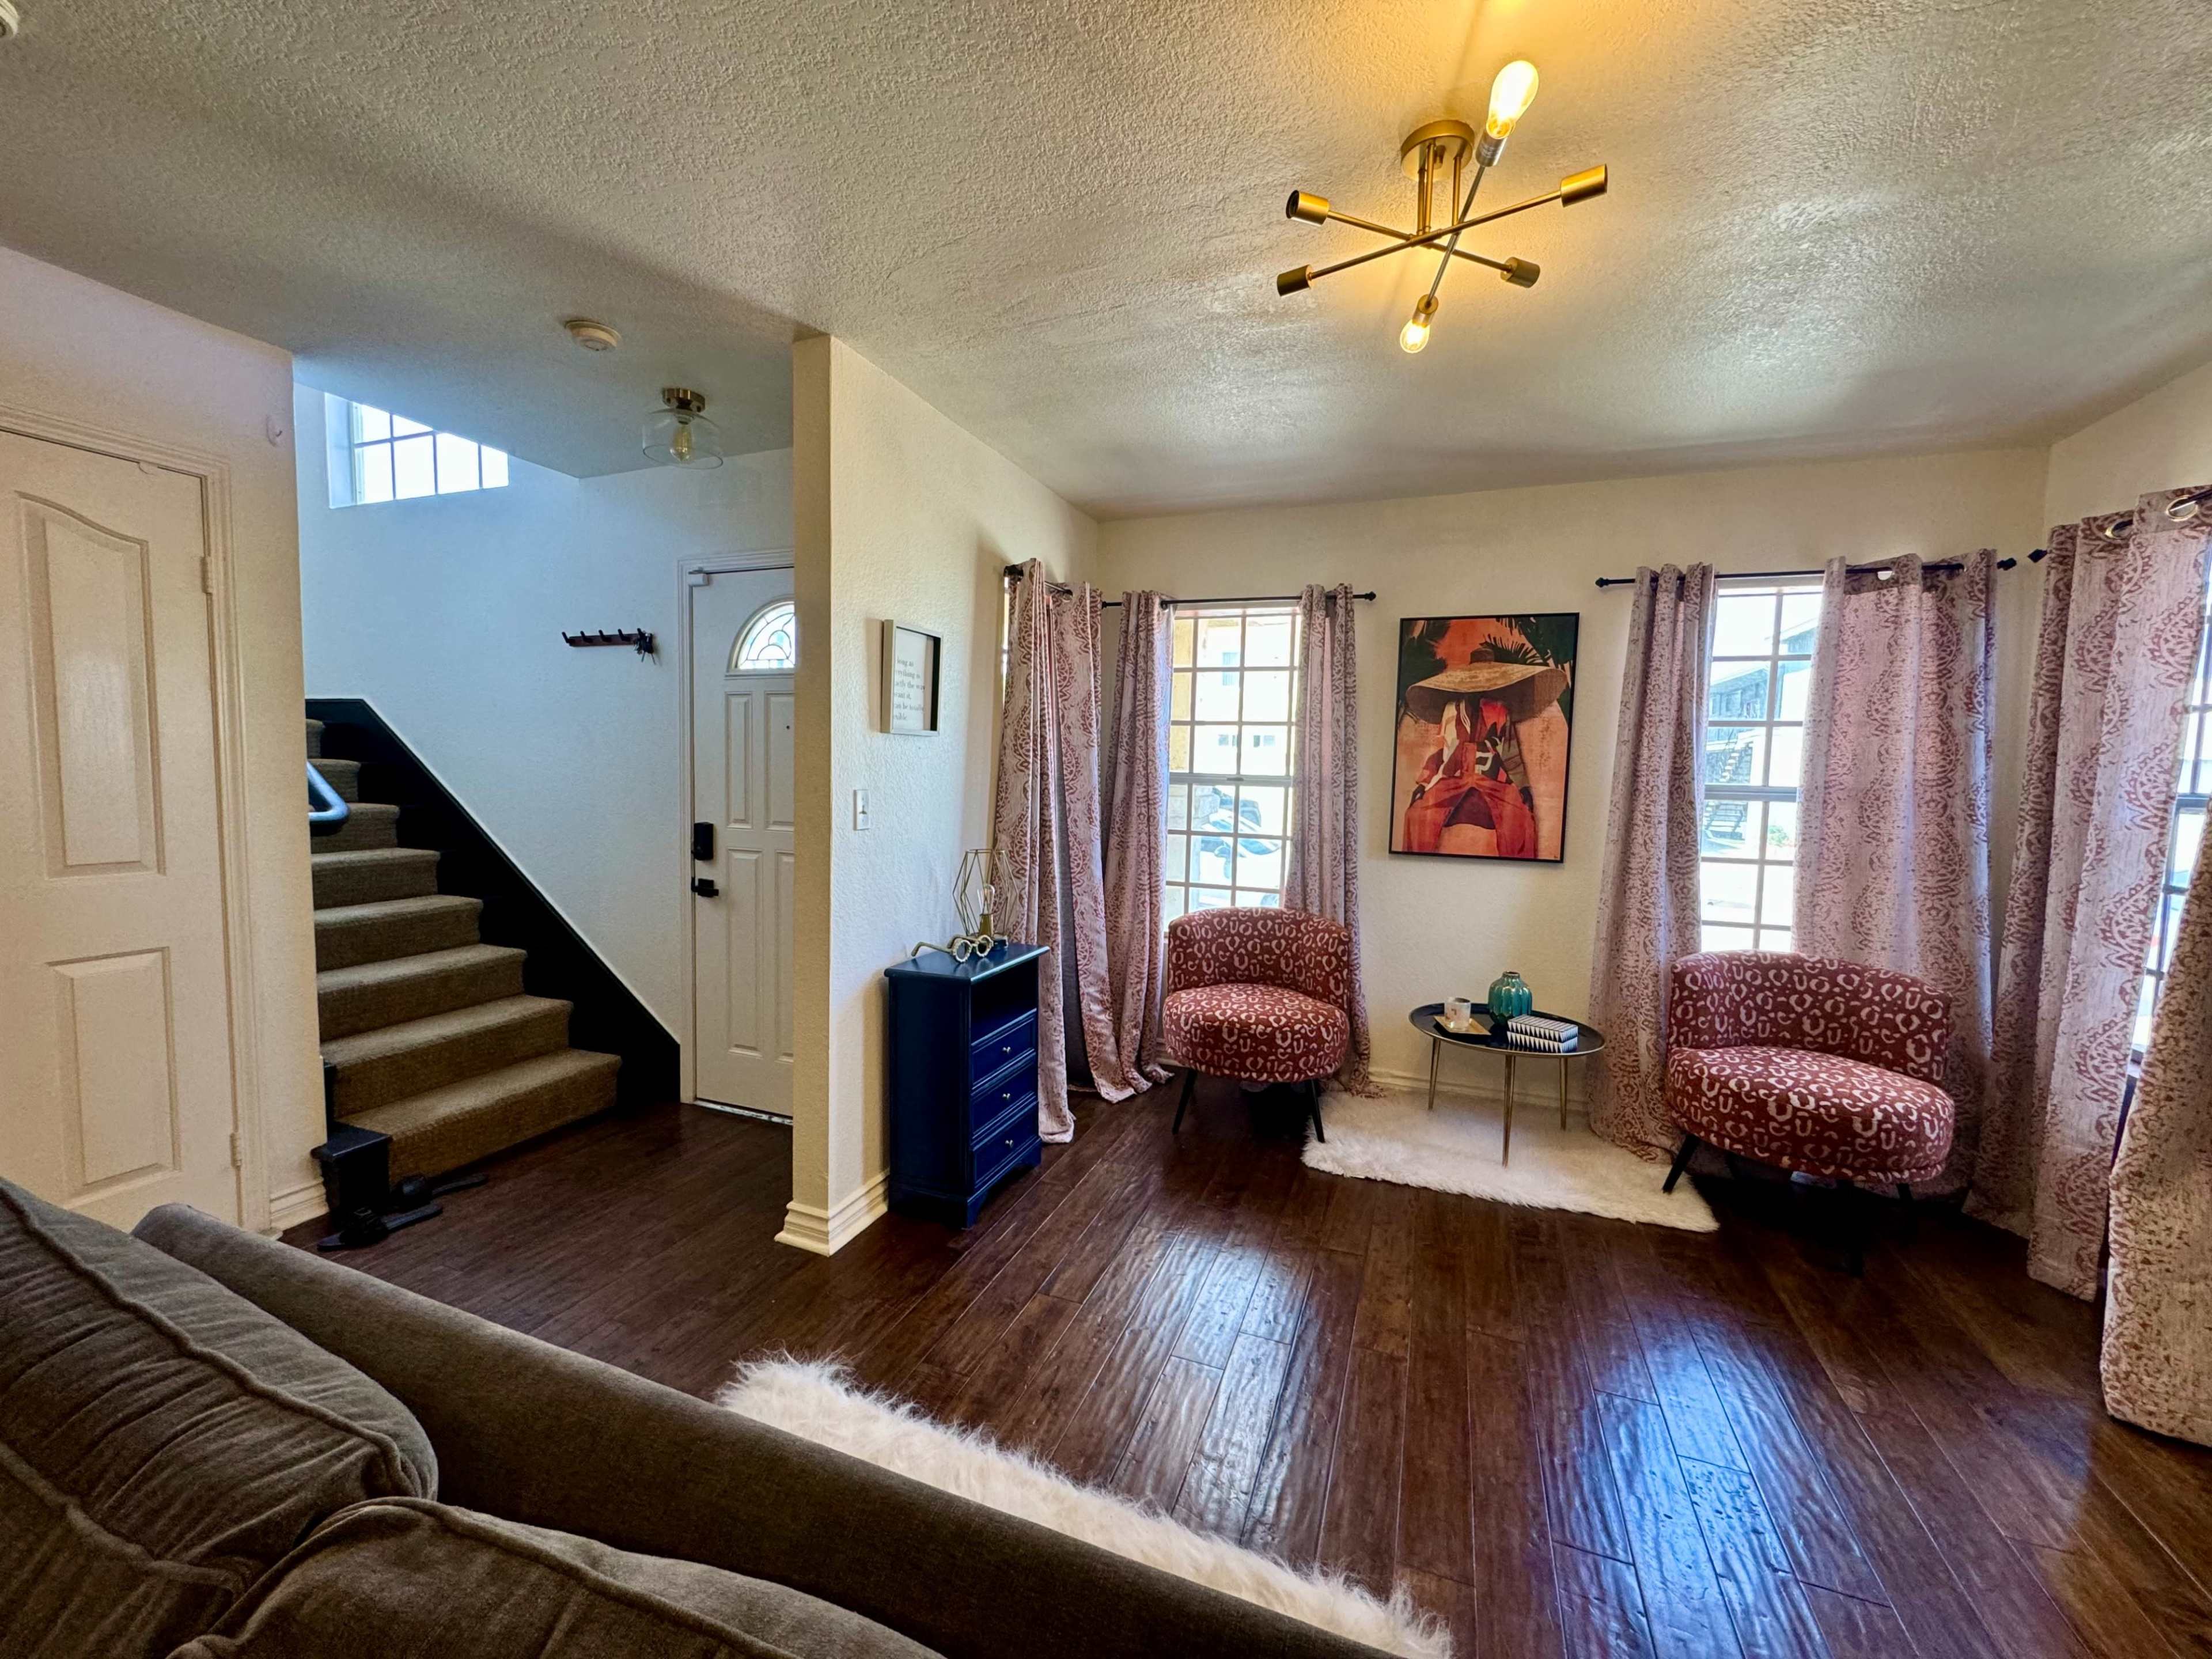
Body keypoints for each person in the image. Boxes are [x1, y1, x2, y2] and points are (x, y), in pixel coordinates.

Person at [1401, 694, 1539, 857]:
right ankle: (1414, 866)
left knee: (1522, 818)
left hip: (1491, 777)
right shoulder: (1451, 708)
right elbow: (1440, 749)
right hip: (1454, 775)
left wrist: (1523, 786)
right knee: (1416, 815)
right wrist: (1423, 784)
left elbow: (1510, 749)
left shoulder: (1500, 708)